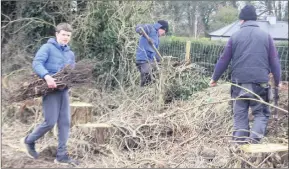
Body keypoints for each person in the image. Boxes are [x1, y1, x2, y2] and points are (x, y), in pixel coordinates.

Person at [209, 5, 281, 144]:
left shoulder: (235, 37)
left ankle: (240, 146)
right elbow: (274, 60)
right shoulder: (266, 37)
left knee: (240, 114)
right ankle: (254, 144)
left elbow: (224, 59)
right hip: (260, 84)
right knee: (261, 113)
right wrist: (278, 81)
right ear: (255, 20)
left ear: (242, 20)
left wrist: (214, 78)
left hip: (239, 83)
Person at [21, 23, 78, 165]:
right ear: (57, 34)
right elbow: (37, 63)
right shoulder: (47, 48)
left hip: (63, 91)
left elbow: (71, 71)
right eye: (63, 34)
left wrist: (70, 81)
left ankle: (61, 155)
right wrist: (47, 76)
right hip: (50, 90)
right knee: (50, 122)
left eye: (68, 35)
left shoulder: (70, 53)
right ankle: (29, 140)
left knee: (65, 122)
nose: (66, 37)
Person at [135, 20, 168, 86]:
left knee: (154, 76)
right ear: (161, 28)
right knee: (146, 76)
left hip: (150, 60)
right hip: (143, 59)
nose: (164, 34)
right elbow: (138, 28)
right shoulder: (150, 28)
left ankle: (150, 92)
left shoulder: (157, 39)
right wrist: (143, 33)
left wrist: (161, 61)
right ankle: (143, 92)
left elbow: (154, 52)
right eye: (164, 32)